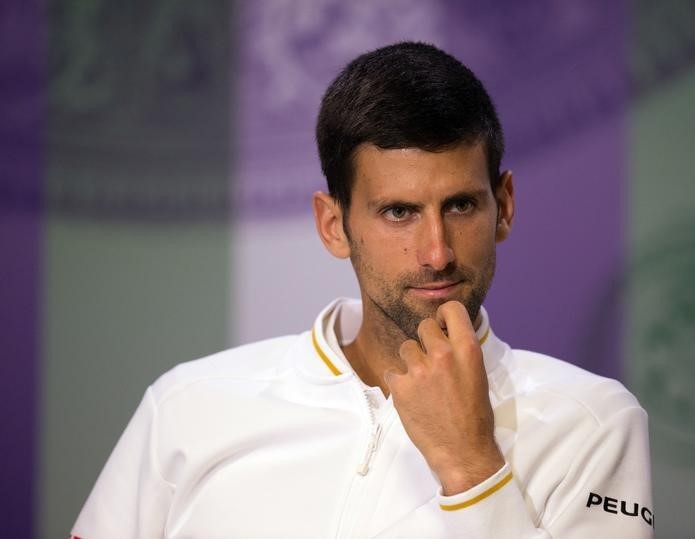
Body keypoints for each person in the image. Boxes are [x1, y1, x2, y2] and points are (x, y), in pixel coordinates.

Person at [71, 42, 653, 538]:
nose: (437, 252)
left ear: (503, 206)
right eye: (399, 212)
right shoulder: (188, 406)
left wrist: (472, 468)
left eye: (460, 205)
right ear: (334, 225)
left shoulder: (593, 423)